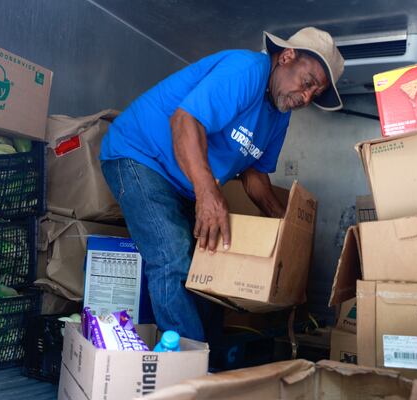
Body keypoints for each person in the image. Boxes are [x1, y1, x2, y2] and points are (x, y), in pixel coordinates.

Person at [100, 27, 344, 342]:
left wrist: (283, 226)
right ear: (286, 57)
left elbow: (255, 174)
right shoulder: (247, 70)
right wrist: (208, 194)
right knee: (172, 256)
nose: (307, 97)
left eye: (315, 94)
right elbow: (185, 121)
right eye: (308, 82)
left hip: (180, 182)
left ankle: (212, 363)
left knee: (208, 263)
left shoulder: (280, 115)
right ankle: (189, 372)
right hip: (139, 155)